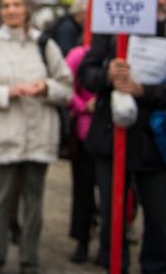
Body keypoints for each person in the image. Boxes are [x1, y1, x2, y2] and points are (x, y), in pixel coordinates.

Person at [79, 0, 166, 273]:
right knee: (112, 216)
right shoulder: (112, 36)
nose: (161, 1)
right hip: (111, 141)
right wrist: (107, 75)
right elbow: (86, 74)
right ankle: (114, 265)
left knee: (158, 219)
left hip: (157, 146)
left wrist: (145, 91)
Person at [0, 0, 72, 274]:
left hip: (38, 137)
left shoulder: (45, 45)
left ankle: (29, 260)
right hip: (3, 137)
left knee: (33, 205)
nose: (11, 10)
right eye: (6, 6)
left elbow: (67, 88)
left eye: (17, 5)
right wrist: (7, 93)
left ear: (27, 9)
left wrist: (46, 87)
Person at [65, 43, 97, 264]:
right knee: (83, 189)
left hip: (120, 134)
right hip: (85, 134)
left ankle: (113, 244)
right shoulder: (79, 54)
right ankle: (82, 241)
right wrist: (83, 106)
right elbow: (65, 87)